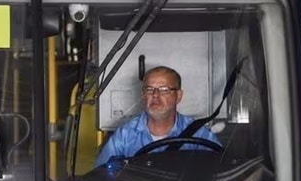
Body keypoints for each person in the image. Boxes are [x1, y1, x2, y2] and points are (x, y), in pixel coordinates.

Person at [94, 66, 222, 168]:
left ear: (178, 96)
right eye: (149, 89)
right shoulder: (124, 136)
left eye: (164, 89)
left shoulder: (198, 134)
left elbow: (219, 175)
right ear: (143, 95)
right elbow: (101, 178)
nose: (155, 95)